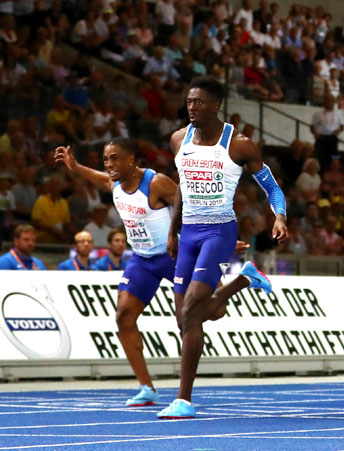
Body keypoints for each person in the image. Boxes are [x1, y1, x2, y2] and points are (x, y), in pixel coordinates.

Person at [161, 76, 288, 419]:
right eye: (189, 101)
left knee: (190, 313)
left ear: (216, 105)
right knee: (191, 317)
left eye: (199, 102)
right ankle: (243, 280)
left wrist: (280, 217)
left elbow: (273, 189)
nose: (192, 107)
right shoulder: (178, 139)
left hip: (219, 232)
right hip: (188, 233)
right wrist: (173, 233)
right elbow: (181, 187)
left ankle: (184, 399)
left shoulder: (239, 144)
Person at [55, 137, 177, 407]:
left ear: (131, 159)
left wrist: (212, 238)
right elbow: (101, 179)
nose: (109, 164)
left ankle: (242, 279)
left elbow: (187, 205)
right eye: (106, 158)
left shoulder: (156, 182)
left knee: (207, 313)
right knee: (123, 317)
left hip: (172, 256)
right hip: (142, 260)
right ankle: (147, 388)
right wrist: (75, 167)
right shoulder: (115, 184)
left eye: (114, 158)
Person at [310, 93, 344, 171]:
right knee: (320, 157)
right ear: (324, 102)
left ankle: (334, 171)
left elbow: (342, 126)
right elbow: (312, 126)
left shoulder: (338, 113)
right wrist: (315, 133)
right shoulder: (318, 113)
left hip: (333, 138)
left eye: (331, 101)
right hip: (321, 138)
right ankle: (319, 172)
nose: (329, 103)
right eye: (327, 101)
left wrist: (339, 130)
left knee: (334, 157)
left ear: (333, 102)